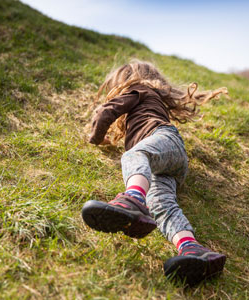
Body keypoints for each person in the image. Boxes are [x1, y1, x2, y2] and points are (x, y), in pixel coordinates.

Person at [81, 60, 228, 285]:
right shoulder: (154, 96)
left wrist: (97, 138)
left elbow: (106, 112)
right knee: (161, 205)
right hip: (170, 162)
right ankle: (193, 249)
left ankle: (133, 199)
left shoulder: (138, 89)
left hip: (163, 140)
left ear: (125, 80)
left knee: (134, 155)